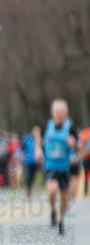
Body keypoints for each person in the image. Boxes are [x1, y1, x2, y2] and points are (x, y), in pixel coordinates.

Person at [38, 99, 78, 235]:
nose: (59, 114)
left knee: (64, 196)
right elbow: (38, 137)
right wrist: (38, 150)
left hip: (64, 168)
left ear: (66, 113)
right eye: (57, 112)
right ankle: (53, 211)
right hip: (50, 165)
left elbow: (80, 148)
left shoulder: (71, 128)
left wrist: (74, 145)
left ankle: (61, 221)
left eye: (61, 112)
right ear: (52, 113)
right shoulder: (47, 126)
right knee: (51, 190)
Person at [22, 126, 42, 201]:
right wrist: (22, 155)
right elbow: (23, 148)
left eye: (38, 132)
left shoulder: (39, 140)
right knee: (28, 176)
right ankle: (28, 191)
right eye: (35, 131)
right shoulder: (27, 139)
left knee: (33, 177)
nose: (36, 133)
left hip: (35, 162)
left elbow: (41, 151)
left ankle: (29, 189)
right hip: (28, 161)